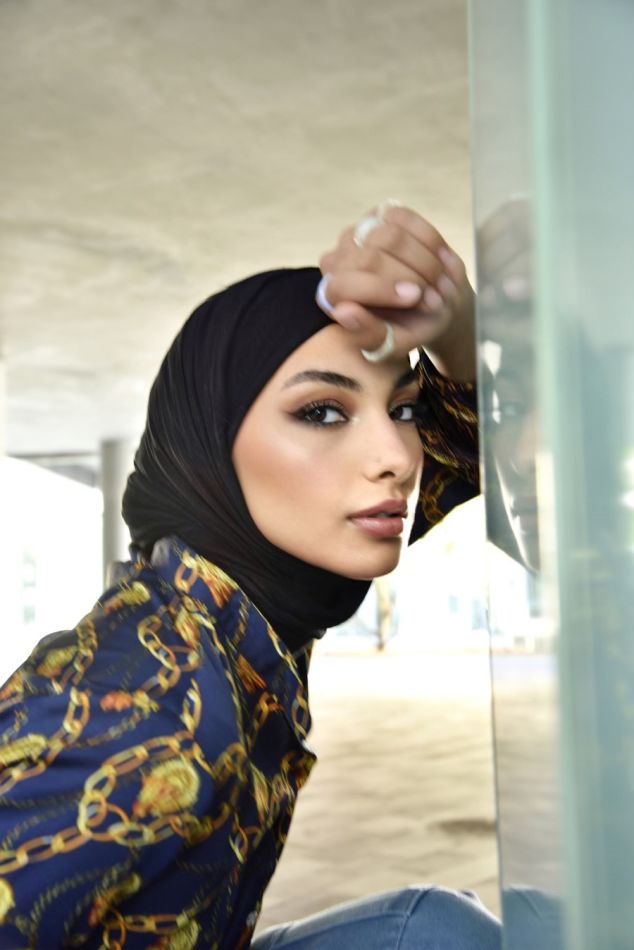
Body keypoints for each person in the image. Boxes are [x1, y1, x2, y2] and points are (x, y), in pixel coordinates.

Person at [0, 208, 500, 948]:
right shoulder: (147, 700)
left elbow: (475, 451)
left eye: (402, 408)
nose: (397, 456)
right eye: (322, 412)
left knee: (443, 928)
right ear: (211, 452)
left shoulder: (244, 606)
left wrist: (456, 329)